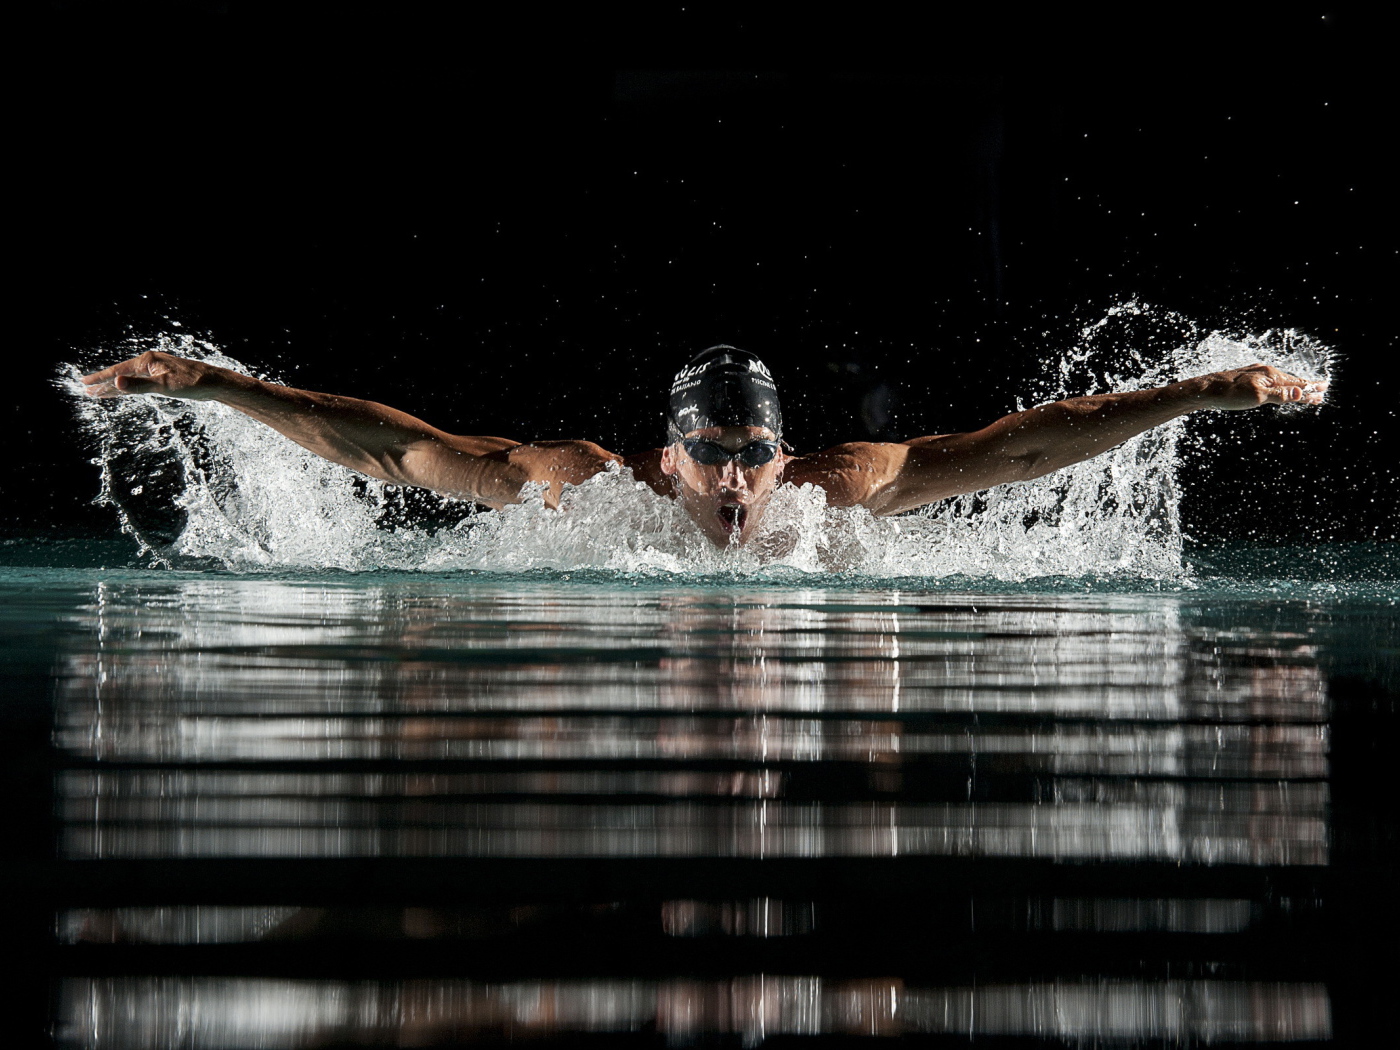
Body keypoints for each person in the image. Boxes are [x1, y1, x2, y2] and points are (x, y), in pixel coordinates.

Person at [81, 345, 1326, 547]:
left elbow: (1019, 449)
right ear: (665, 457)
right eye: (711, 455)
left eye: (753, 455)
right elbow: (394, 452)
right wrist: (216, 387)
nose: (734, 482)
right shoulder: (586, 489)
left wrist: (1195, 395)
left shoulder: (837, 491)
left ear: (786, 453)